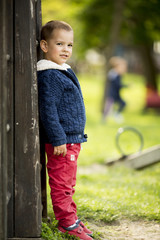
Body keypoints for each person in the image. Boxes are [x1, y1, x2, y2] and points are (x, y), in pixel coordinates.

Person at [37, 20, 93, 240]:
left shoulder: (60, 70)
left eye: (69, 45)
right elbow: (48, 110)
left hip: (71, 139)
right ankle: (66, 224)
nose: (66, 49)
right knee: (62, 183)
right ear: (44, 46)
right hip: (62, 142)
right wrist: (58, 138)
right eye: (59, 44)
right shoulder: (49, 75)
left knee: (69, 183)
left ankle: (72, 218)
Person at [102, 56, 127, 123]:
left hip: (117, 94)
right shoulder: (113, 74)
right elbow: (117, 84)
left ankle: (116, 114)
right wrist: (125, 86)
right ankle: (104, 119)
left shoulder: (118, 74)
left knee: (123, 104)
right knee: (108, 107)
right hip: (112, 94)